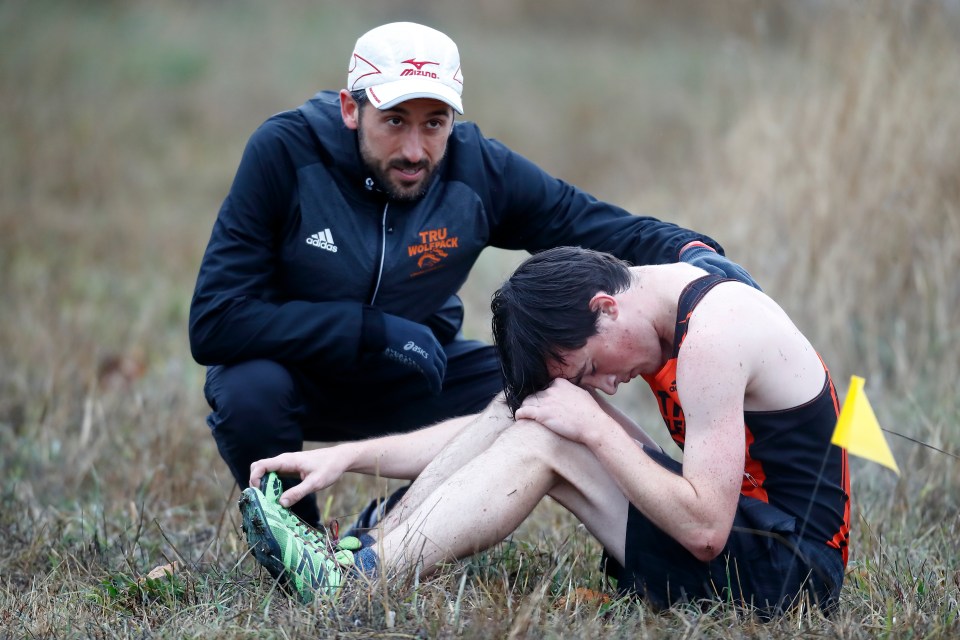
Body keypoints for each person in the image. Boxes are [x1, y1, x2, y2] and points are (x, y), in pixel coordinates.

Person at [189, 20, 752, 528]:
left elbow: (585, 221)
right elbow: (214, 322)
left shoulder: (476, 167)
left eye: (434, 123)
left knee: (537, 388)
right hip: (297, 378)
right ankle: (299, 539)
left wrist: (694, 253)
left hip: (415, 376)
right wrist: (371, 330)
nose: (415, 149)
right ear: (349, 108)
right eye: (394, 121)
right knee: (246, 389)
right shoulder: (285, 152)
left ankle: (387, 530)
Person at [239, 247, 849, 616]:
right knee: (530, 407)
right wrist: (350, 456)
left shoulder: (713, 336)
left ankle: (353, 582)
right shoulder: (655, 302)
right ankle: (365, 554)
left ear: (606, 307)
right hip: (753, 533)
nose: (606, 386)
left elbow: (706, 531)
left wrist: (594, 428)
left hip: (792, 575)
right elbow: (516, 409)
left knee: (552, 435)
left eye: (590, 369)